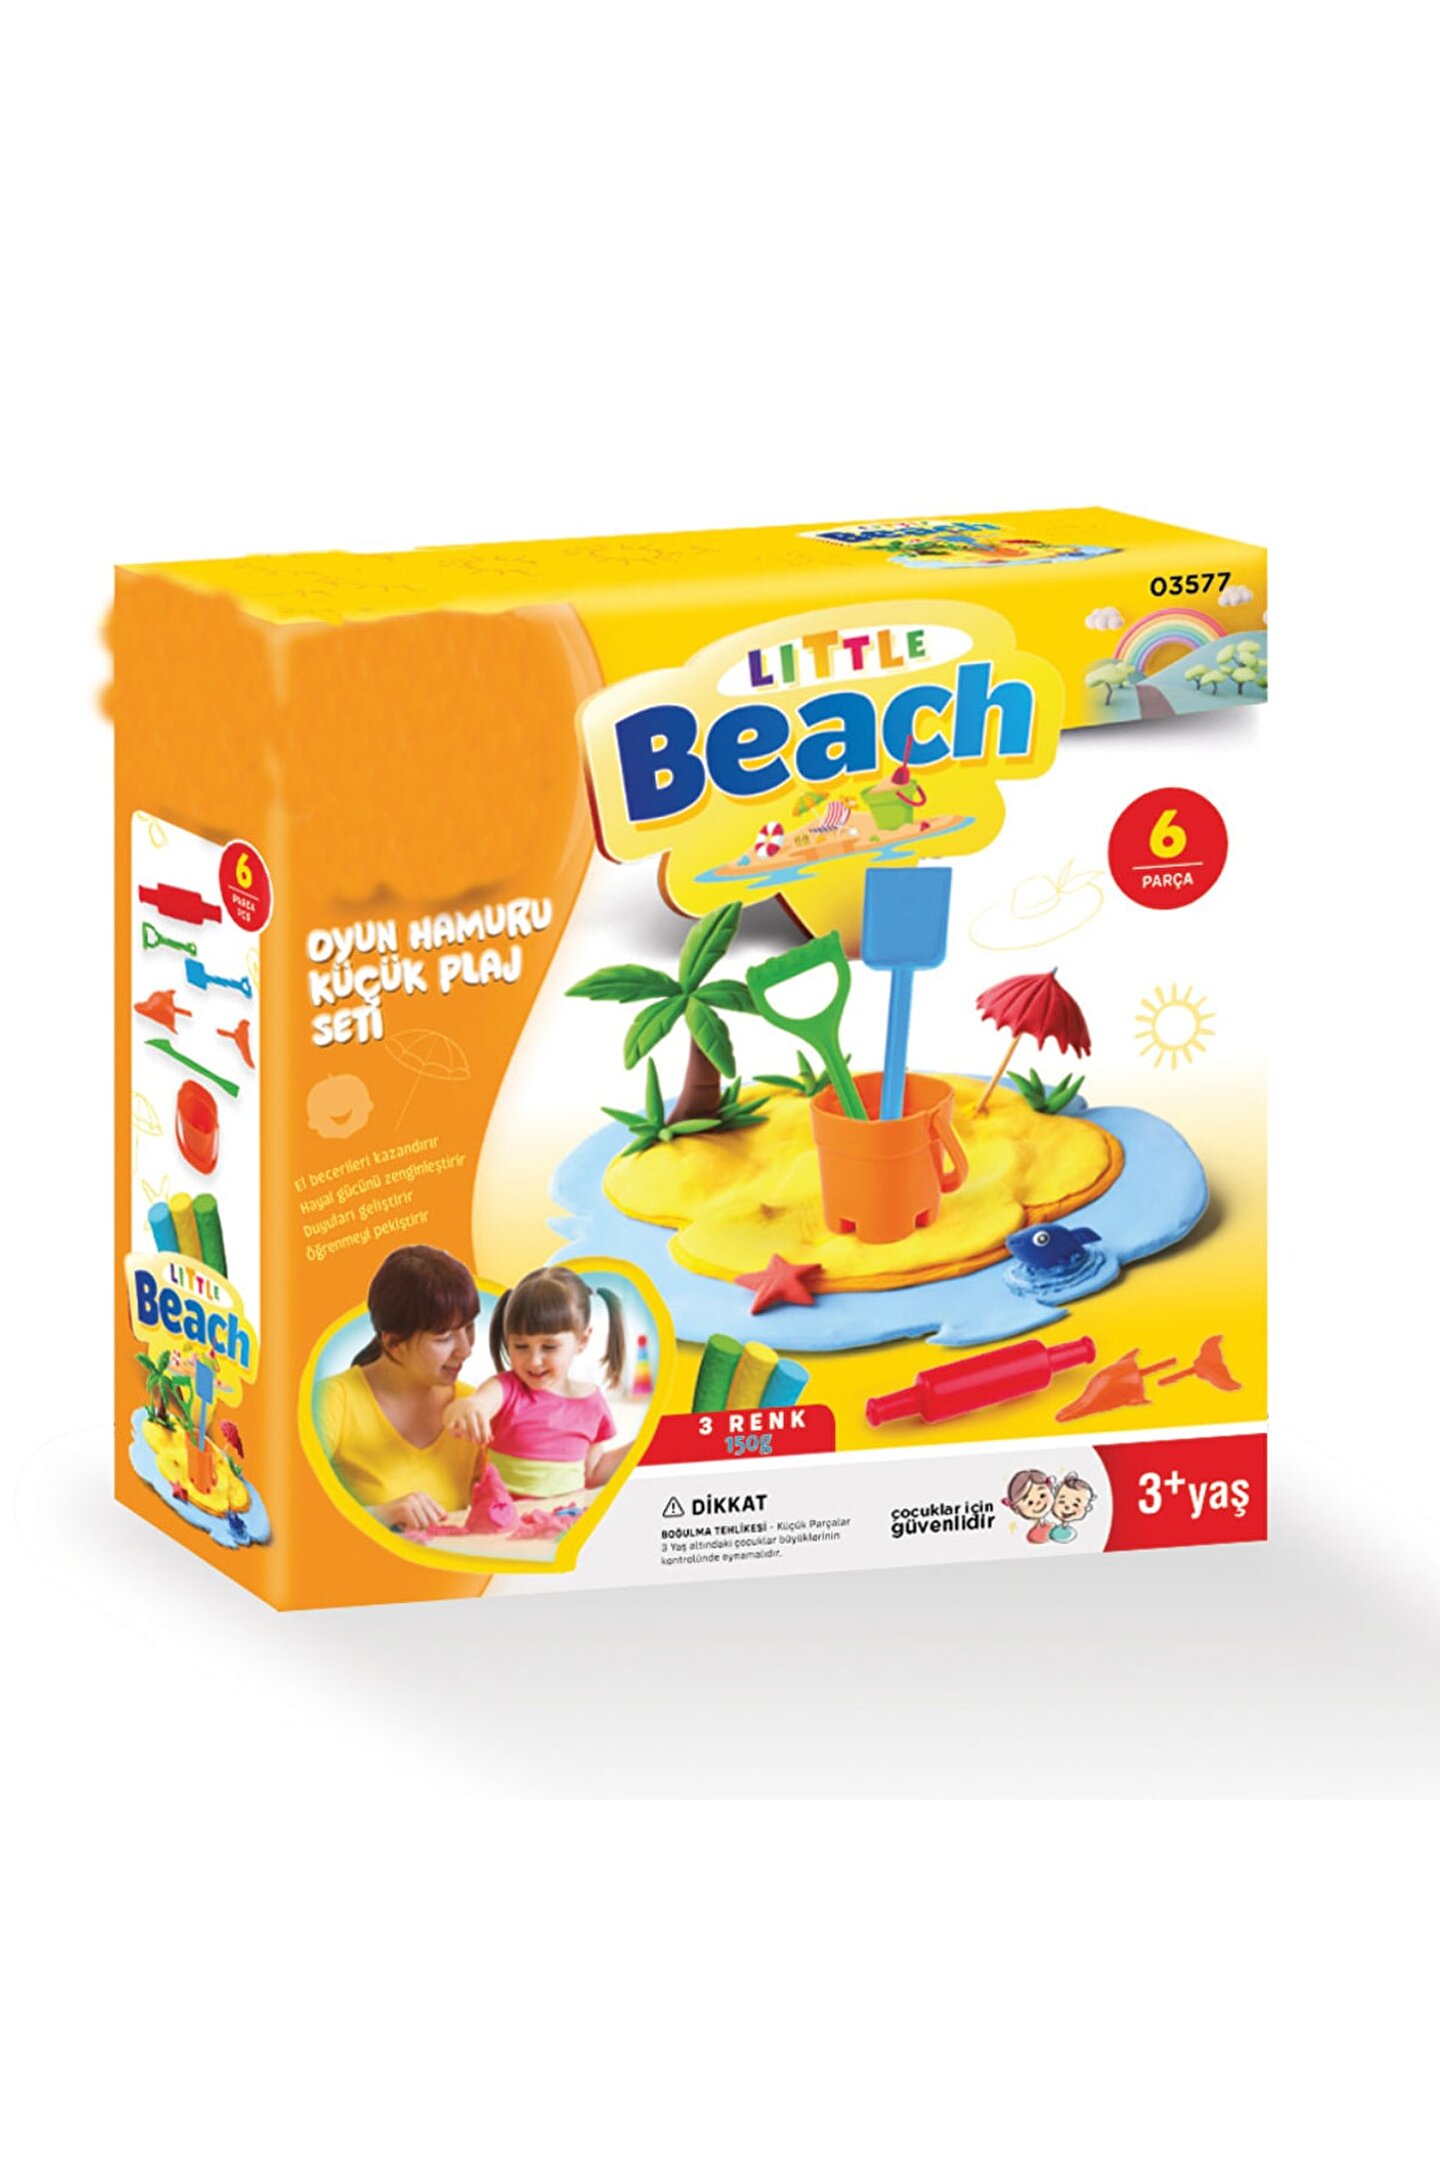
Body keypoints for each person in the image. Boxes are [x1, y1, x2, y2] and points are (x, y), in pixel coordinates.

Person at [317, 1245, 489, 1533]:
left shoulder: (473, 1406)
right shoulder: (334, 1400)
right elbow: (292, 1511)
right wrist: (383, 1514)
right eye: (444, 1338)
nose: (466, 1349)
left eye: (469, 1328)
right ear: (394, 1342)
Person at [469, 1266, 626, 1499]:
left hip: (566, 1518)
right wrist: (471, 1408)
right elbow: (481, 1403)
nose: (534, 1360)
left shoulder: (591, 1404)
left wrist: (644, 1445)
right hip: (504, 1518)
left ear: (582, 1340)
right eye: (521, 1346)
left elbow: (593, 1473)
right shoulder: (505, 1389)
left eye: (549, 1347)